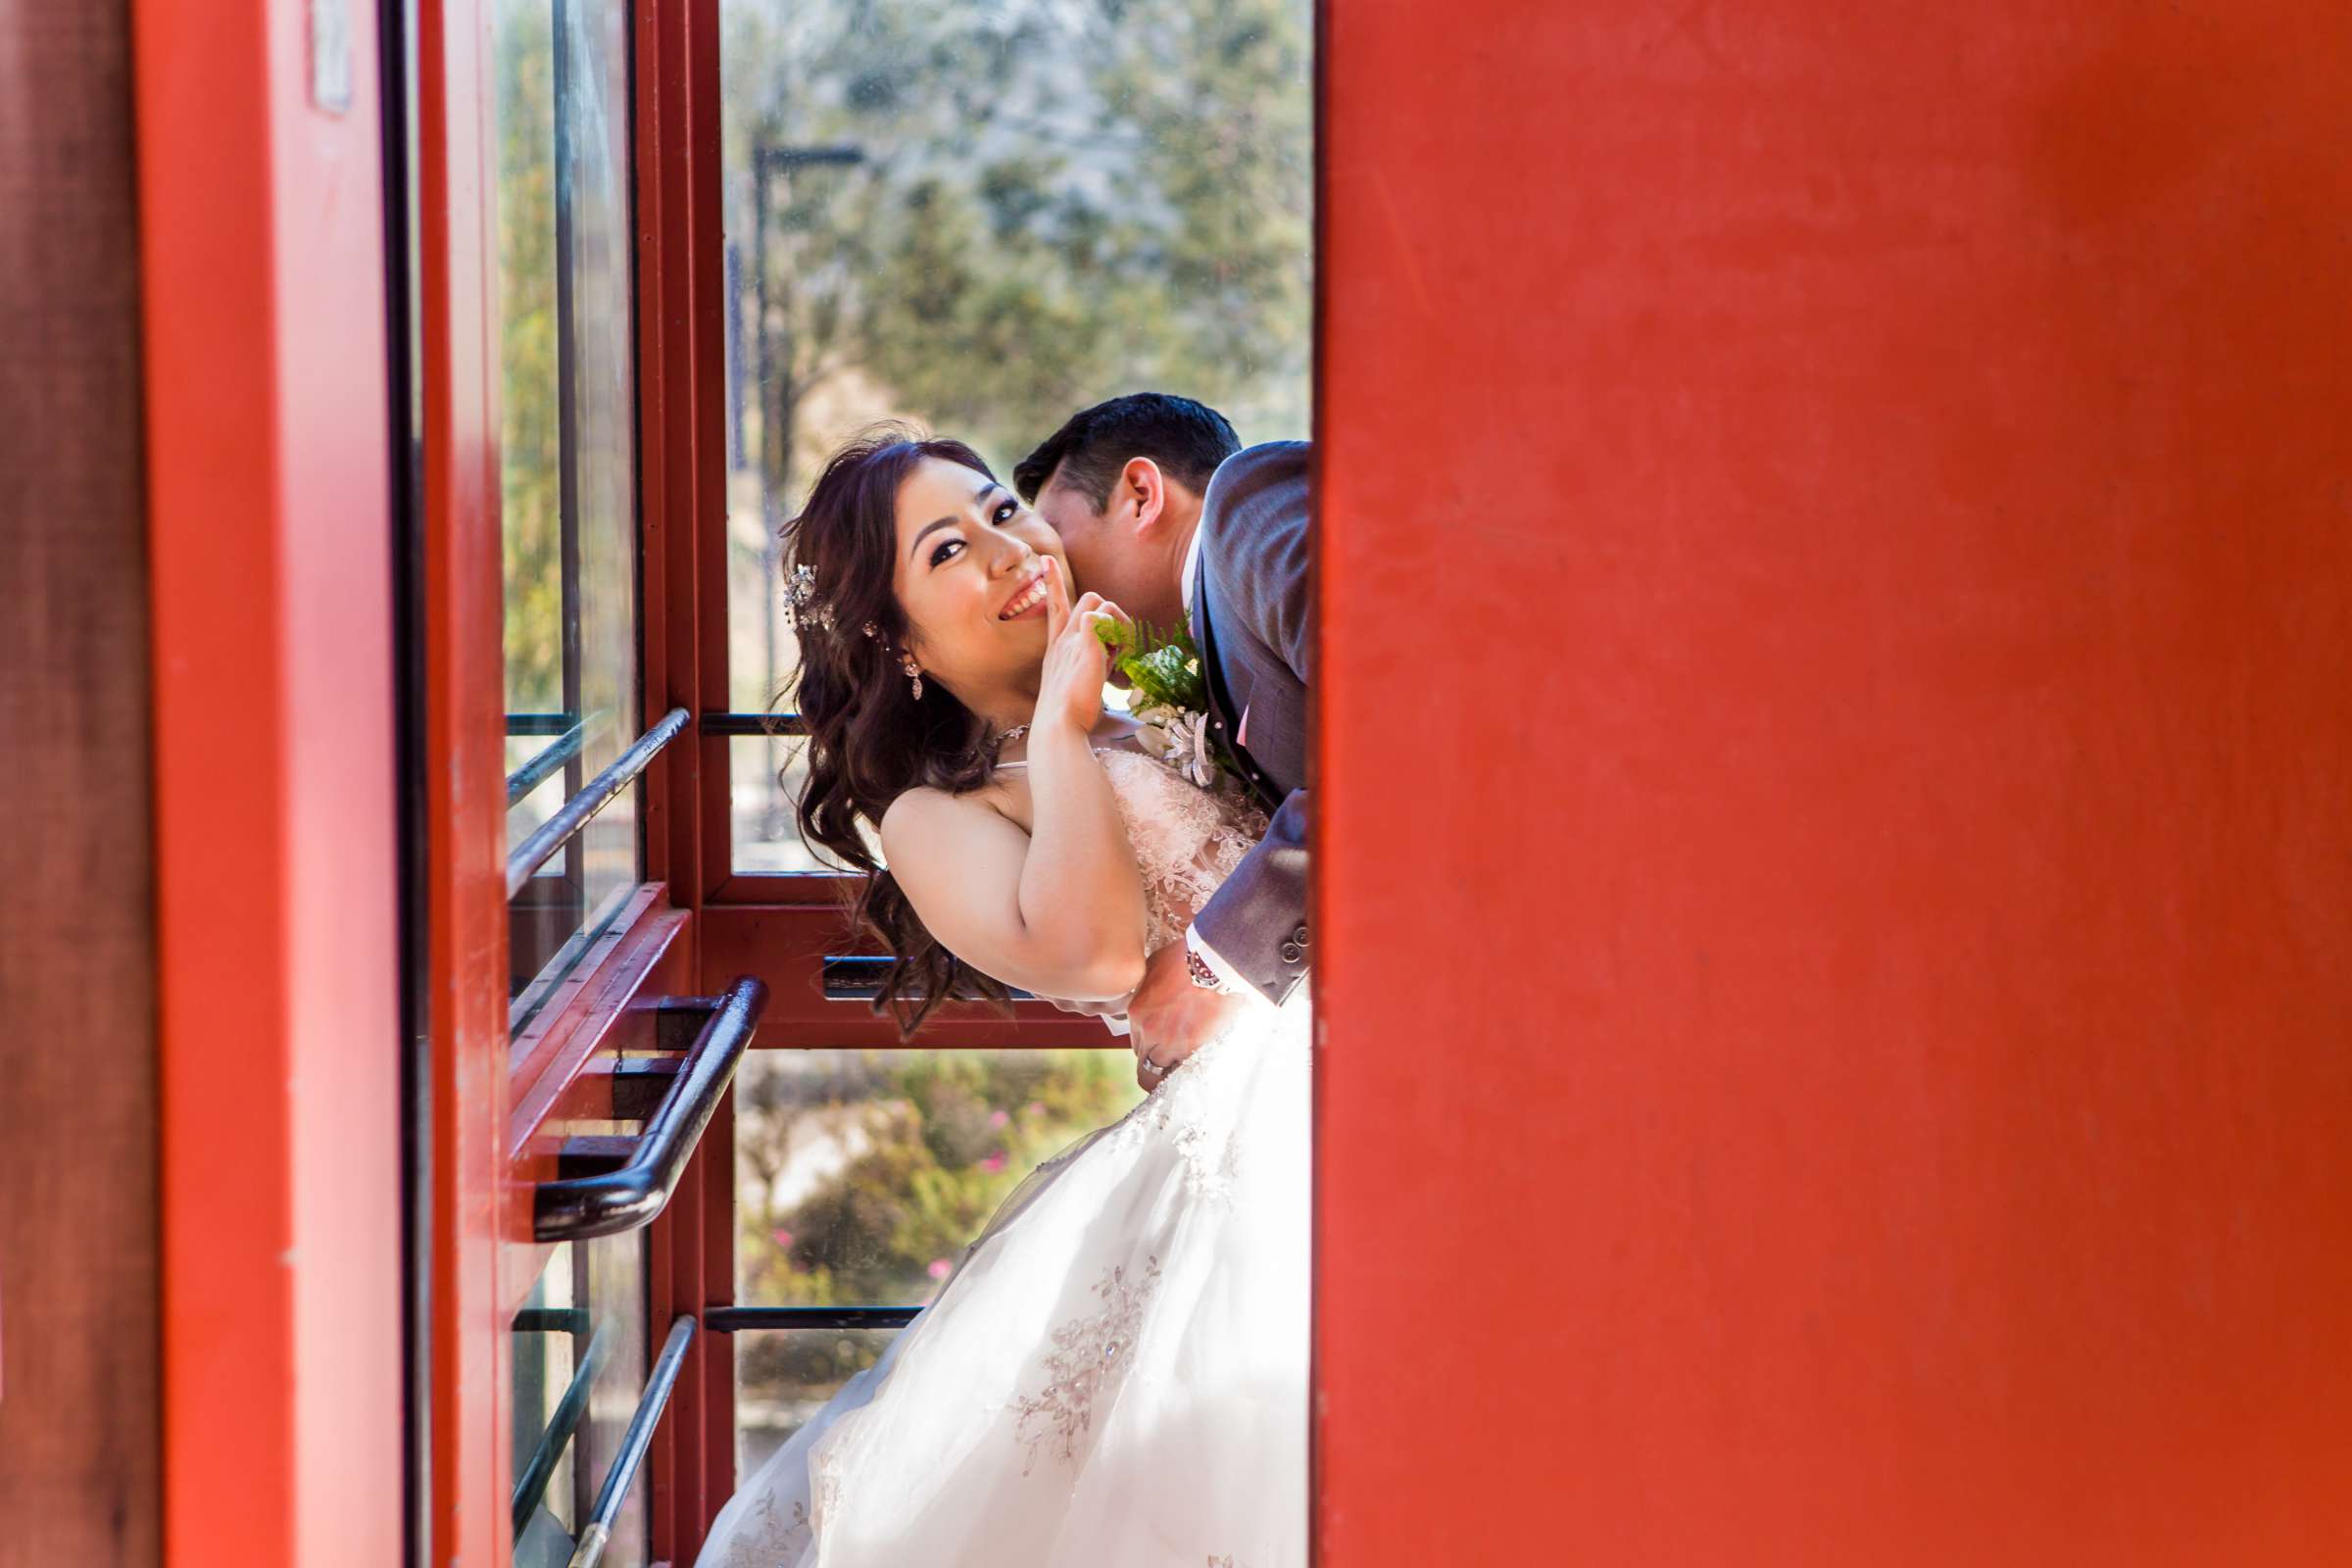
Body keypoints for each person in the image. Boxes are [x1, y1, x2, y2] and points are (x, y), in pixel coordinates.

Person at [695, 416, 1309, 1568]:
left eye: (998, 509)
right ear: (897, 638)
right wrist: (1062, 727)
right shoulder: (934, 816)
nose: (1004, 544)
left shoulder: (1165, 690)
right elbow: (1092, 955)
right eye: (946, 550)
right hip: (1245, 1120)